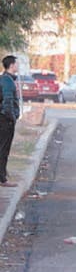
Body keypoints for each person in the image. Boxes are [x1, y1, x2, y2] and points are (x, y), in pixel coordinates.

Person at [0, 55, 20, 187]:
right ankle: (3, 179)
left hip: (4, 119)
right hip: (5, 120)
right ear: (12, 65)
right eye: (17, 64)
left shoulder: (5, 79)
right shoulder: (7, 81)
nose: (18, 66)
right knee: (3, 149)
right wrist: (12, 118)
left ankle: (2, 174)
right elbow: (7, 102)